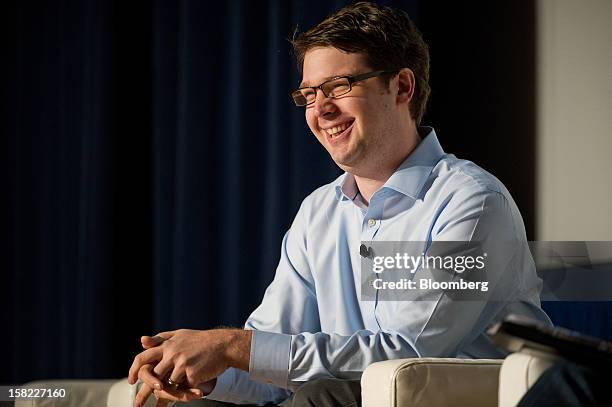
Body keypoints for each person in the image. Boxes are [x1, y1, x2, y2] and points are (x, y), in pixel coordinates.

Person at [128, 2, 551, 406]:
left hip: (466, 400)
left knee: (323, 397)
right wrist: (200, 369)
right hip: (347, 398)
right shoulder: (319, 212)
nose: (321, 110)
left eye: (338, 87)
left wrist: (236, 345)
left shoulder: (471, 201)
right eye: (309, 95)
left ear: (402, 86)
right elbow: (269, 357)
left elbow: (409, 354)